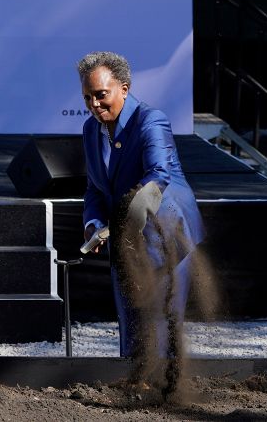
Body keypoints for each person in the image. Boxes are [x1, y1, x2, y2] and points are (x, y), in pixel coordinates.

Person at [78, 51, 205, 357]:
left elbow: (158, 175)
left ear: (124, 88)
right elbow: (95, 187)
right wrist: (93, 225)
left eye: (101, 95)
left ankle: (166, 391)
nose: (94, 105)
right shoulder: (90, 129)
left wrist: (129, 220)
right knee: (130, 317)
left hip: (165, 231)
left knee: (160, 316)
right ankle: (135, 383)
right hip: (124, 238)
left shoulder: (151, 120)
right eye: (87, 97)